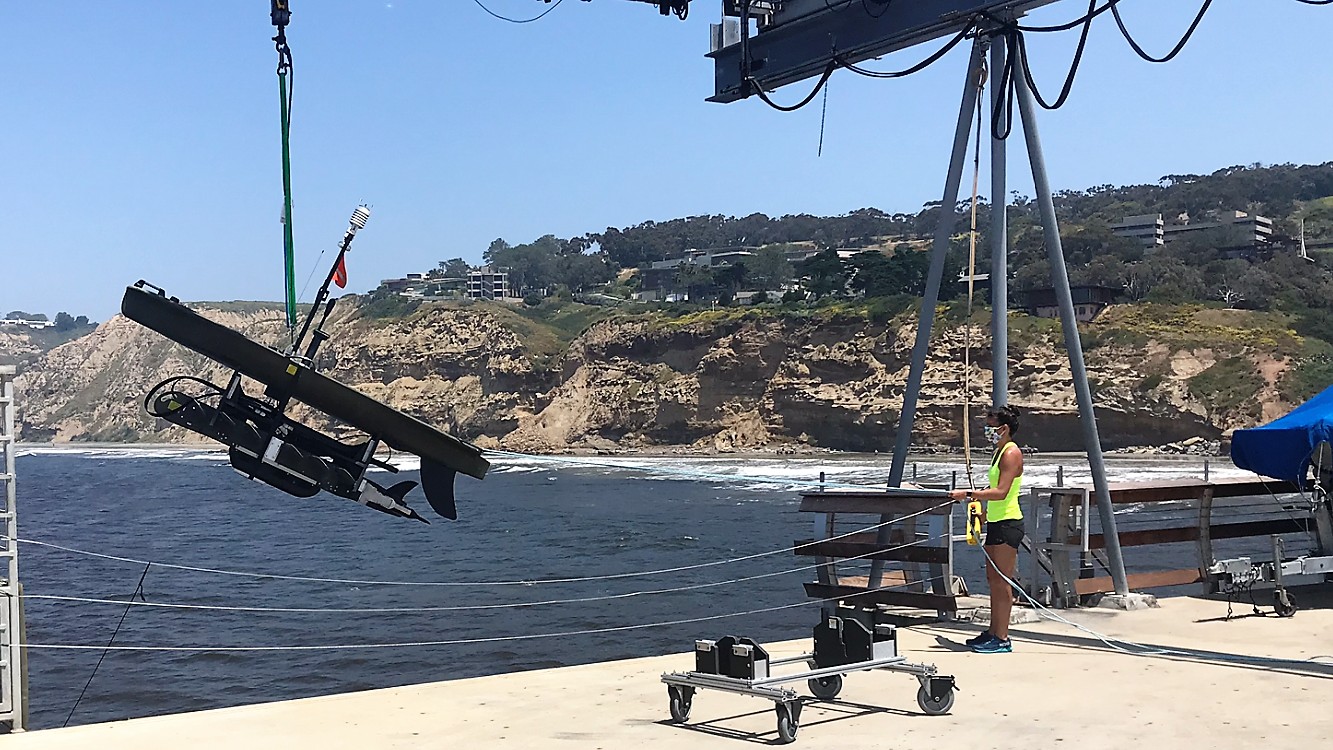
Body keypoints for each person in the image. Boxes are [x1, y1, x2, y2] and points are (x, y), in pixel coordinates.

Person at [947, 405, 1024, 654]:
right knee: (993, 580)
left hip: (1009, 523)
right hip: (995, 522)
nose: (987, 430)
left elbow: (1001, 492)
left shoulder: (1011, 453)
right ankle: (993, 631)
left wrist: (968, 493)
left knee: (1003, 582)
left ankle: (1002, 637)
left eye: (991, 426)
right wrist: (979, 506)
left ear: (1004, 428)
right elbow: (994, 488)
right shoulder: (998, 452)